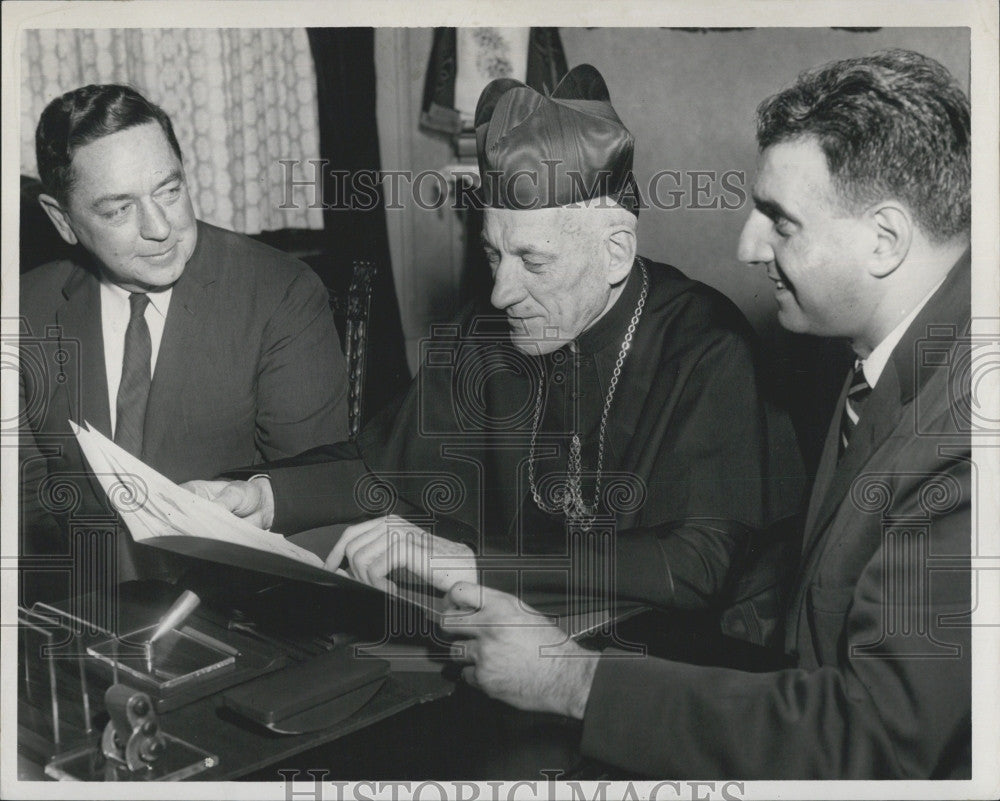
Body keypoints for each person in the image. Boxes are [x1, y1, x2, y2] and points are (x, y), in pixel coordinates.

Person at [439, 49, 974, 779]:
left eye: (780, 221)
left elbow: (877, 737)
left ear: (884, 240)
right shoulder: (904, 356)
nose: (746, 245)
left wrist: (570, 678)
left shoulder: (965, 437)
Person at [189, 65, 804, 650]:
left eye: (533, 261)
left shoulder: (706, 346)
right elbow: (387, 467)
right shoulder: (489, 329)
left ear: (616, 251)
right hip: (516, 632)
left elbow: (697, 567)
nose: (503, 292)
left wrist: (471, 563)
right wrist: (265, 497)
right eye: (492, 256)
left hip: (668, 659)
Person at [19, 84, 349, 602]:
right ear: (62, 219)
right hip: (79, 616)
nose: (161, 228)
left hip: (240, 611)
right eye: (118, 210)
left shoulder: (279, 293)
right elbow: (24, 511)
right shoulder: (25, 310)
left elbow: (320, 491)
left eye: (169, 191)